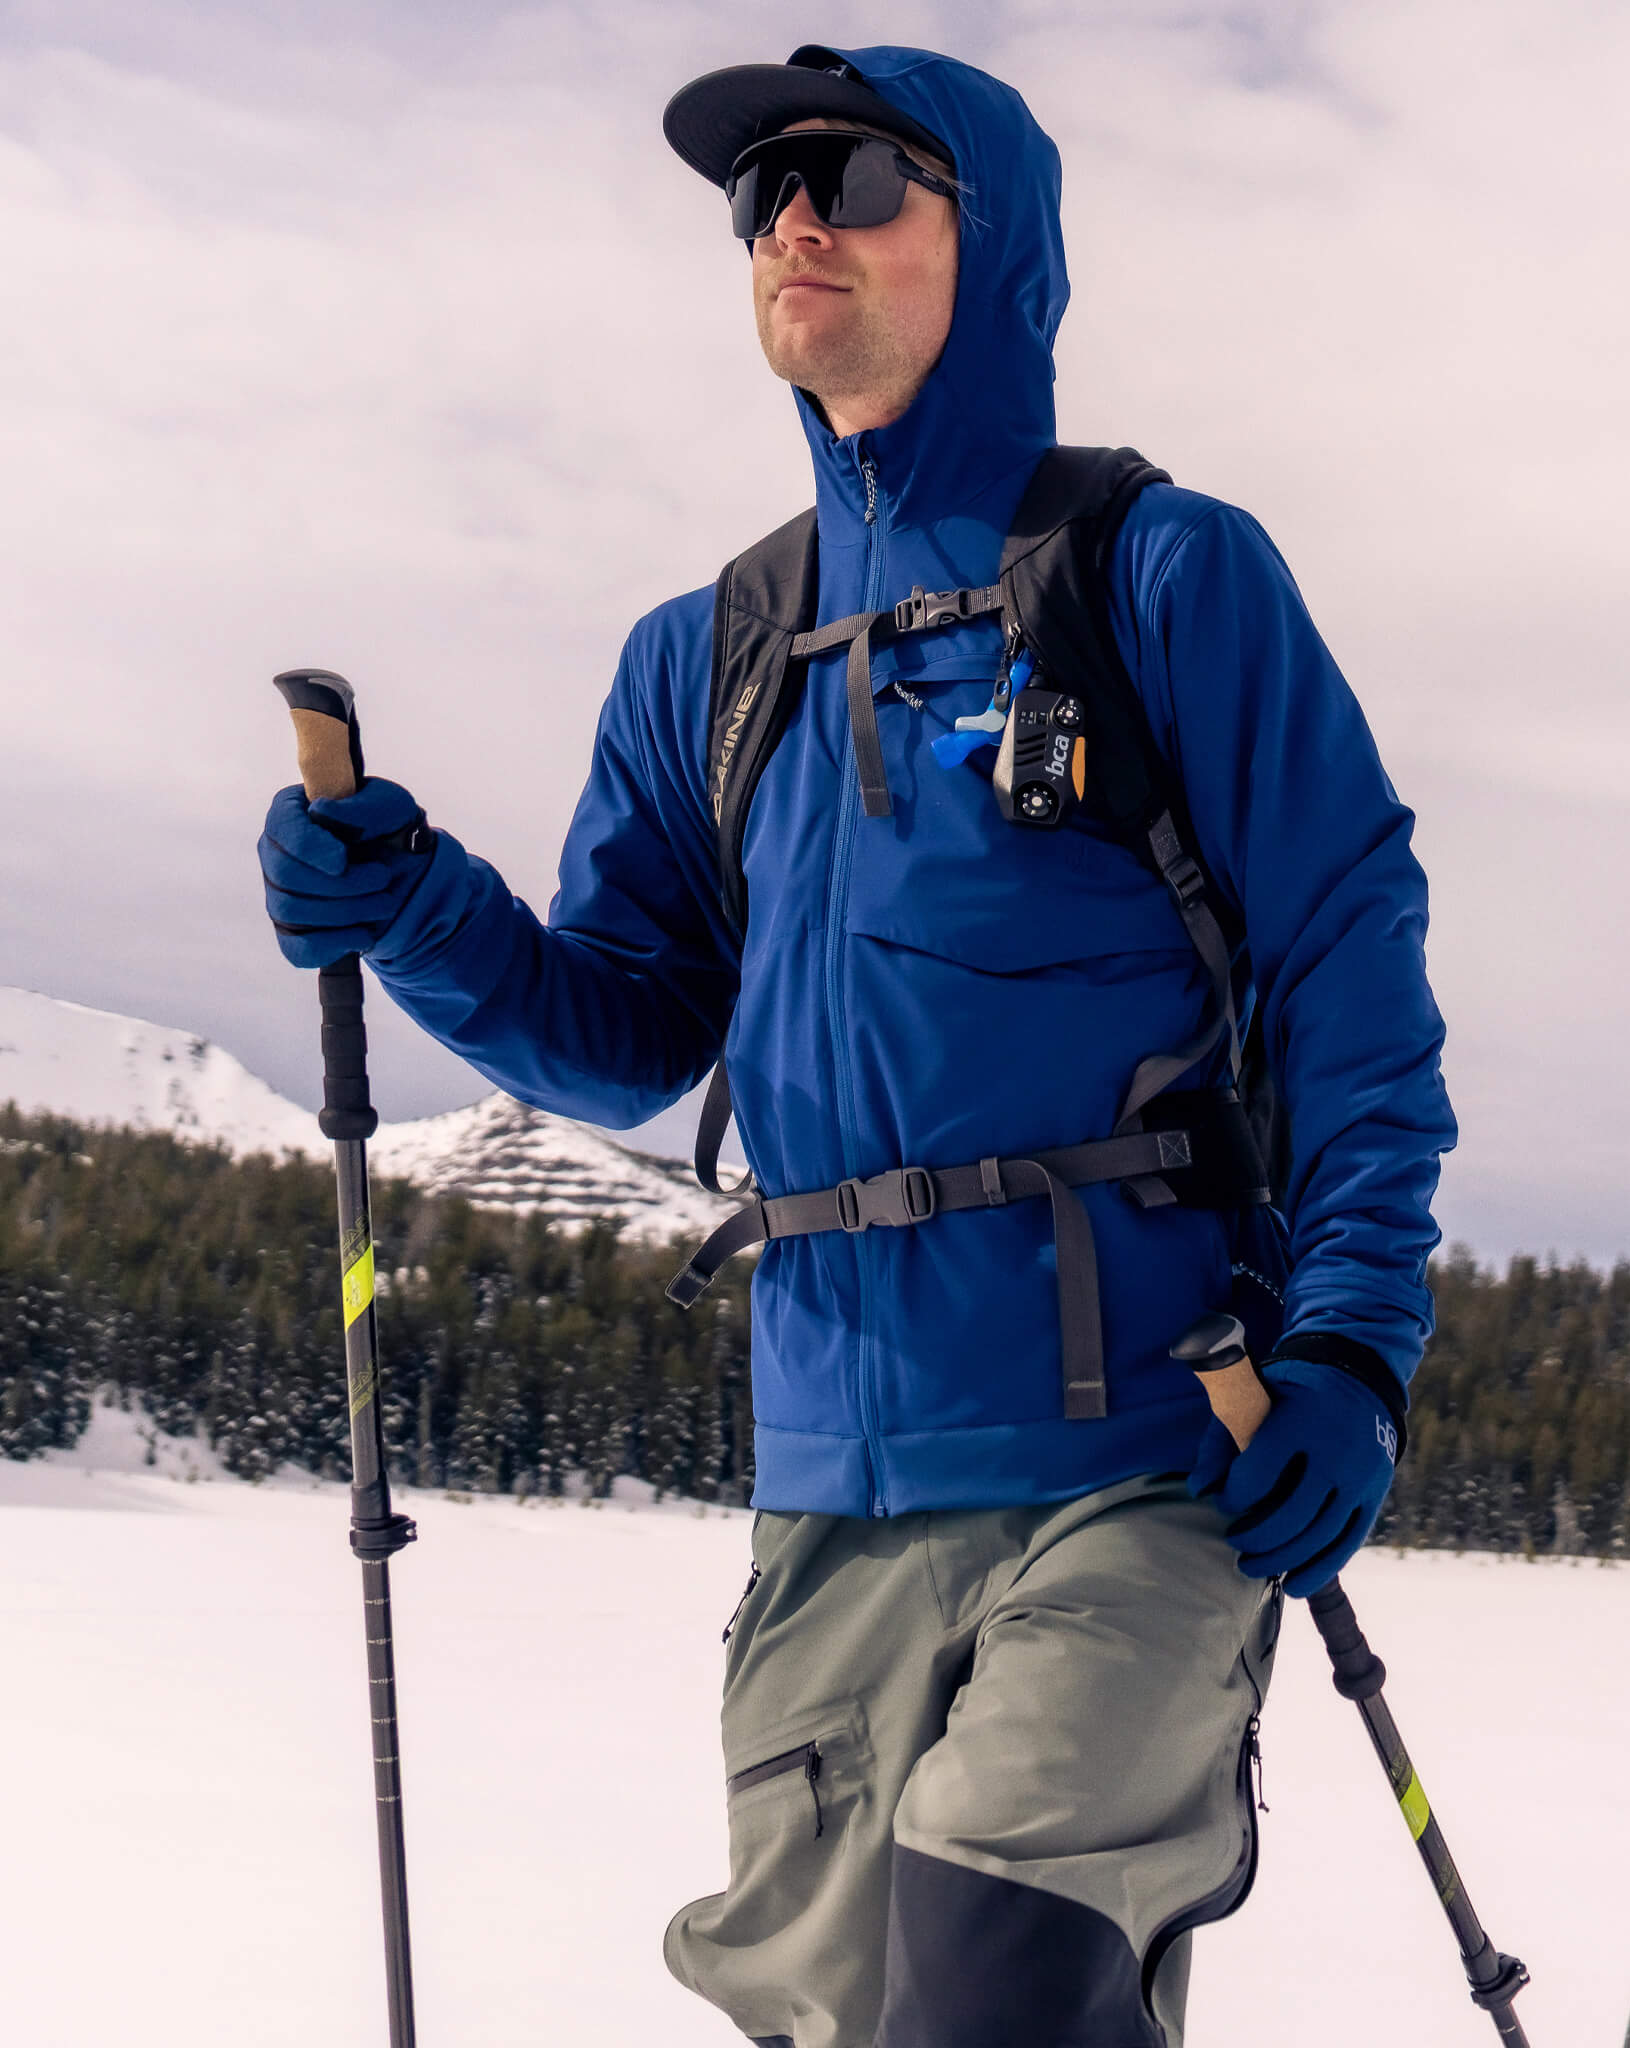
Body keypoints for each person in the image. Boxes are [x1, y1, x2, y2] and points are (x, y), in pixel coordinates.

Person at [260, 42, 1454, 2048]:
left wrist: (1352, 1340)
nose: (795, 216)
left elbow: (1348, 961)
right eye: (760, 194)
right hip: (828, 1484)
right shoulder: (709, 652)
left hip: (1143, 1460)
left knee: (993, 1980)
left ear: (992, 242)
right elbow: (631, 1024)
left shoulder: (1162, 574)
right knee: (837, 2016)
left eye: (859, 175)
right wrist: (418, 913)